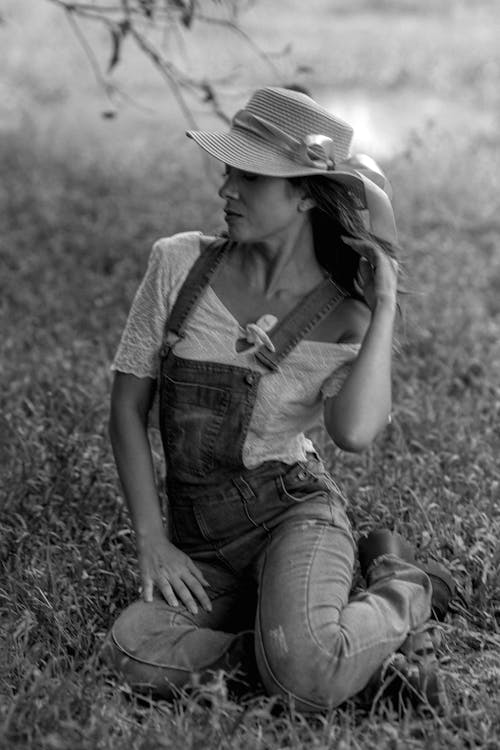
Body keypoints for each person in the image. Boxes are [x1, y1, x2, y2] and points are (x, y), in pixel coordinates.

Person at [102, 87, 454, 712]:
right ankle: (305, 657)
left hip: (294, 516)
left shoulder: (343, 313)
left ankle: (405, 584)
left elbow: (354, 433)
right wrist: (152, 539)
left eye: (249, 176)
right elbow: (126, 408)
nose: (226, 190)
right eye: (228, 170)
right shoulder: (177, 264)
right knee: (132, 648)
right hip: (201, 544)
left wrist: (385, 308)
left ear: (303, 195)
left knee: (303, 670)